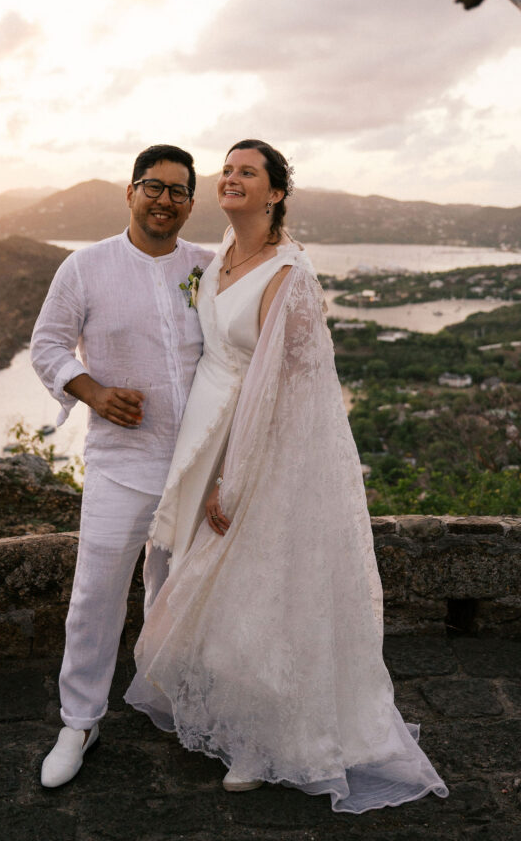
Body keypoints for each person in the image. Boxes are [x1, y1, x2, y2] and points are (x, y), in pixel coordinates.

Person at [126, 140, 449, 812]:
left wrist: (237, 478)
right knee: (199, 577)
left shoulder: (288, 275)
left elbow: (281, 388)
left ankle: (266, 738)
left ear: (275, 192)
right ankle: (225, 710)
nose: (231, 178)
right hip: (203, 432)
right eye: (228, 170)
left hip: (259, 444)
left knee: (257, 589)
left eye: (248, 172)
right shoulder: (220, 257)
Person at [31, 144, 213, 788]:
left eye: (179, 191)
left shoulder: (208, 268)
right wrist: (94, 393)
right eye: (153, 187)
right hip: (119, 464)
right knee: (96, 594)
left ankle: (174, 698)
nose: (165, 200)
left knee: (179, 591)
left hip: (195, 465)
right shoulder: (85, 267)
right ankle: (80, 720)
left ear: (192, 202)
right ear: (130, 192)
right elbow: (48, 345)